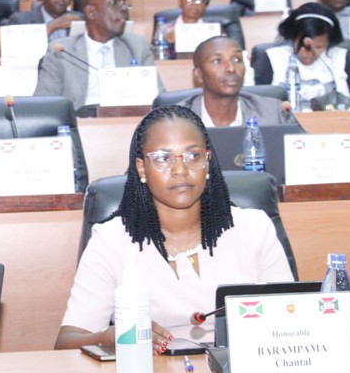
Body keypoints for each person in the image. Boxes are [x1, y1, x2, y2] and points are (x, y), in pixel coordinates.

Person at [54, 105, 293, 351]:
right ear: (141, 168)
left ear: (208, 162)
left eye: (193, 156)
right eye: (162, 158)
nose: (180, 170)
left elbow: (292, 321)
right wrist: (110, 337)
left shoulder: (254, 228)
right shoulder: (111, 240)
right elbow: (66, 342)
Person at [34, 0, 163, 111]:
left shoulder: (137, 46)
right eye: (115, 3)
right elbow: (44, 105)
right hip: (80, 125)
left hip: (129, 124)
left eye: (125, 4)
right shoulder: (62, 51)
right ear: (91, 12)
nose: (124, 8)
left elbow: (159, 99)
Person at [252, 3, 350, 110]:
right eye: (303, 46)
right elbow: (259, 105)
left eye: (318, 47)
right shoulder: (272, 58)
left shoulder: (342, 57)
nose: (309, 53)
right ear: (293, 38)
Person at [177, 37, 300, 127]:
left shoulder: (274, 113)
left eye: (237, 59)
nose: (231, 68)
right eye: (217, 61)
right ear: (198, 75)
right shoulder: (176, 119)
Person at [170, 0, 245, 49]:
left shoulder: (215, 32)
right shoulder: (165, 30)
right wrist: (169, 43)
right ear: (179, 1)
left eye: (199, 0)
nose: (194, 4)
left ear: (206, 6)